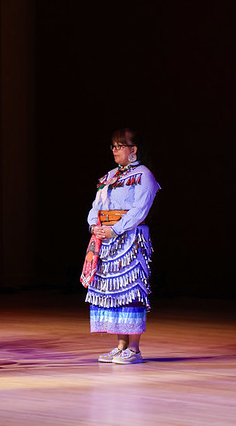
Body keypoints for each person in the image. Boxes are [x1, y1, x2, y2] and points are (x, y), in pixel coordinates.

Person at [86, 127, 160, 364]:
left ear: (133, 149)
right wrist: (94, 226)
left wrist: (115, 228)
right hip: (107, 240)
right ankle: (121, 345)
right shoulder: (109, 177)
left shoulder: (144, 175)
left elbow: (140, 209)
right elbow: (96, 206)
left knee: (130, 289)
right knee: (115, 290)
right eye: (113, 146)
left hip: (129, 239)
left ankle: (134, 348)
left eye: (120, 146)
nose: (115, 150)